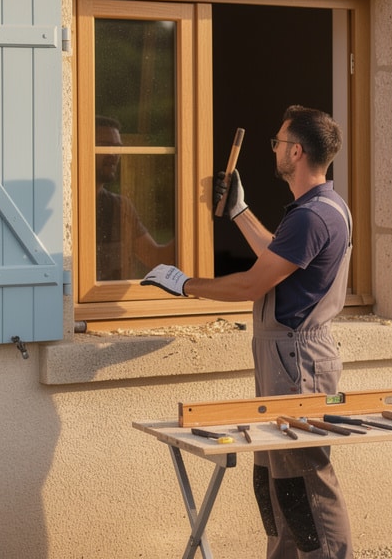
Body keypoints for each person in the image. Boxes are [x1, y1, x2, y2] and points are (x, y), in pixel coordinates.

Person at [142, 105, 353, 559]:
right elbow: (274, 255)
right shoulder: (314, 211)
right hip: (283, 355)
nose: (274, 148)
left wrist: (185, 285)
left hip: (299, 359)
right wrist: (239, 211)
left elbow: (255, 282)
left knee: (305, 480)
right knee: (275, 477)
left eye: (278, 142)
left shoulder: (314, 216)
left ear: (296, 152)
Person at [95, 115, 172, 280]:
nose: (113, 154)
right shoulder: (66, 208)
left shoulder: (120, 207)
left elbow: (157, 259)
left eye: (117, 147)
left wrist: (199, 211)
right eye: (104, 146)